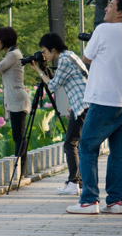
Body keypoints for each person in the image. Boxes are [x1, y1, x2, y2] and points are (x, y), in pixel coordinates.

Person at [66, 0, 122, 215]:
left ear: (121, 13)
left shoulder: (103, 30)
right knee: (118, 153)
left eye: (111, 5)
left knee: (87, 147)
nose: (106, 8)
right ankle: (115, 201)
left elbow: (86, 57)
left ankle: (88, 200)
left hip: (105, 100)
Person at [30, 32, 89, 195]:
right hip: (84, 104)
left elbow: (54, 85)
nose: (44, 54)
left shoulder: (63, 59)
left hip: (83, 106)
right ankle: (79, 181)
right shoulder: (70, 56)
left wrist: (39, 71)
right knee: (77, 144)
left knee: (70, 143)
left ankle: (73, 182)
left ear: (53, 49)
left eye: (44, 51)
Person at [0, 27, 31, 176]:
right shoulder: (10, 54)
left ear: (5, 40)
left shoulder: (13, 54)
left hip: (18, 99)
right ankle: (21, 168)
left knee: (19, 135)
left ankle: (21, 168)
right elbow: (1, 67)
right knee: (18, 135)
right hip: (15, 99)